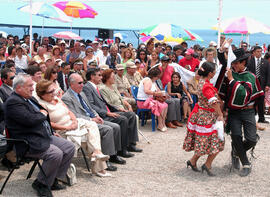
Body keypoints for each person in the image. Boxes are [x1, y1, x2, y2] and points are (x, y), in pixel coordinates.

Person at [4, 73, 75, 196]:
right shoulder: (13, 102)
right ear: (19, 88)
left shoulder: (29, 98)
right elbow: (30, 119)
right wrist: (42, 114)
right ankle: (41, 183)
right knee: (55, 154)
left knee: (69, 147)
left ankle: (52, 179)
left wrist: (51, 131)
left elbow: (42, 117)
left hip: (42, 135)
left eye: (32, 85)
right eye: (29, 86)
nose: (33, 88)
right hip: (28, 141)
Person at [36, 79, 111, 177]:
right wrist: (66, 127)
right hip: (61, 129)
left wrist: (75, 121)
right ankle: (99, 167)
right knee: (89, 136)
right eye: (50, 91)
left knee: (92, 125)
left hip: (73, 124)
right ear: (42, 94)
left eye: (54, 90)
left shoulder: (57, 99)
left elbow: (69, 111)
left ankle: (97, 152)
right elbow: (49, 123)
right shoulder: (41, 104)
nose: (54, 93)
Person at [62, 73, 122, 171]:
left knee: (116, 126)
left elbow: (90, 108)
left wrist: (96, 116)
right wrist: (91, 119)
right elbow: (75, 115)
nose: (82, 85)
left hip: (92, 119)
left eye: (83, 82)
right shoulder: (66, 97)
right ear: (71, 84)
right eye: (80, 83)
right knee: (108, 129)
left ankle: (113, 155)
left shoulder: (81, 93)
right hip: (83, 123)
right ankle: (104, 161)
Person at [82, 68, 142, 157]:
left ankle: (131, 144)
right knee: (122, 119)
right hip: (102, 115)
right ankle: (121, 149)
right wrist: (107, 113)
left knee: (131, 115)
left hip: (108, 111)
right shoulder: (88, 87)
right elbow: (91, 106)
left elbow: (105, 103)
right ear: (92, 77)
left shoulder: (95, 87)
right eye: (99, 75)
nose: (101, 77)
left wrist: (116, 109)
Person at [225, 48, 264, 176]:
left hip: (249, 111)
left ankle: (236, 152)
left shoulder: (251, 77)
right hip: (234, 112)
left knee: (252, 139)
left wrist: (259, 116)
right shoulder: (230, 74)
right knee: (236, 136)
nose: (234, 65)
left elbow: (251, 94)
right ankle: (246, 164)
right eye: (233, 63)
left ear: (243, 63)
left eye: (236, 63)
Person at [183, 62, 224, 176]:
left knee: (204, 141)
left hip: (202, 114)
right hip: (207, 117)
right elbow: (213, 102)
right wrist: (220, 114)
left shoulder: (201, 82)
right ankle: (207, 164)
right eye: (214, 71)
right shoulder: (206, 85)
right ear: (210, 73)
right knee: (217, 141)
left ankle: (193, 161)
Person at [137, 67, 168, 132]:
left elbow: (158, 90)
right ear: (154, 76)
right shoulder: (147, 80)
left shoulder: (153, 81)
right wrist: (156, 93)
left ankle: (162, 123)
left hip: (149, 100)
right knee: (160, 105)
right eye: (158, 76)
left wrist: (163, 94)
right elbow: (146, 91)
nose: (158, 78)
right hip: (143, 102)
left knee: (165, 105)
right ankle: (160, 125)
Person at [247, 46, 270, 123]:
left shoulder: (266, 62)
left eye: (260, 51)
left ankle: (261, 118)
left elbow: (268, 74)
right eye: (258, 51)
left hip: (262, 84)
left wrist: (268, 85)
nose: (259, 53)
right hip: (252, 84)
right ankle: (252, 117)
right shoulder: (249, 62)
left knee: (261, 100)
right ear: (253, 53)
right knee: (252, 100)